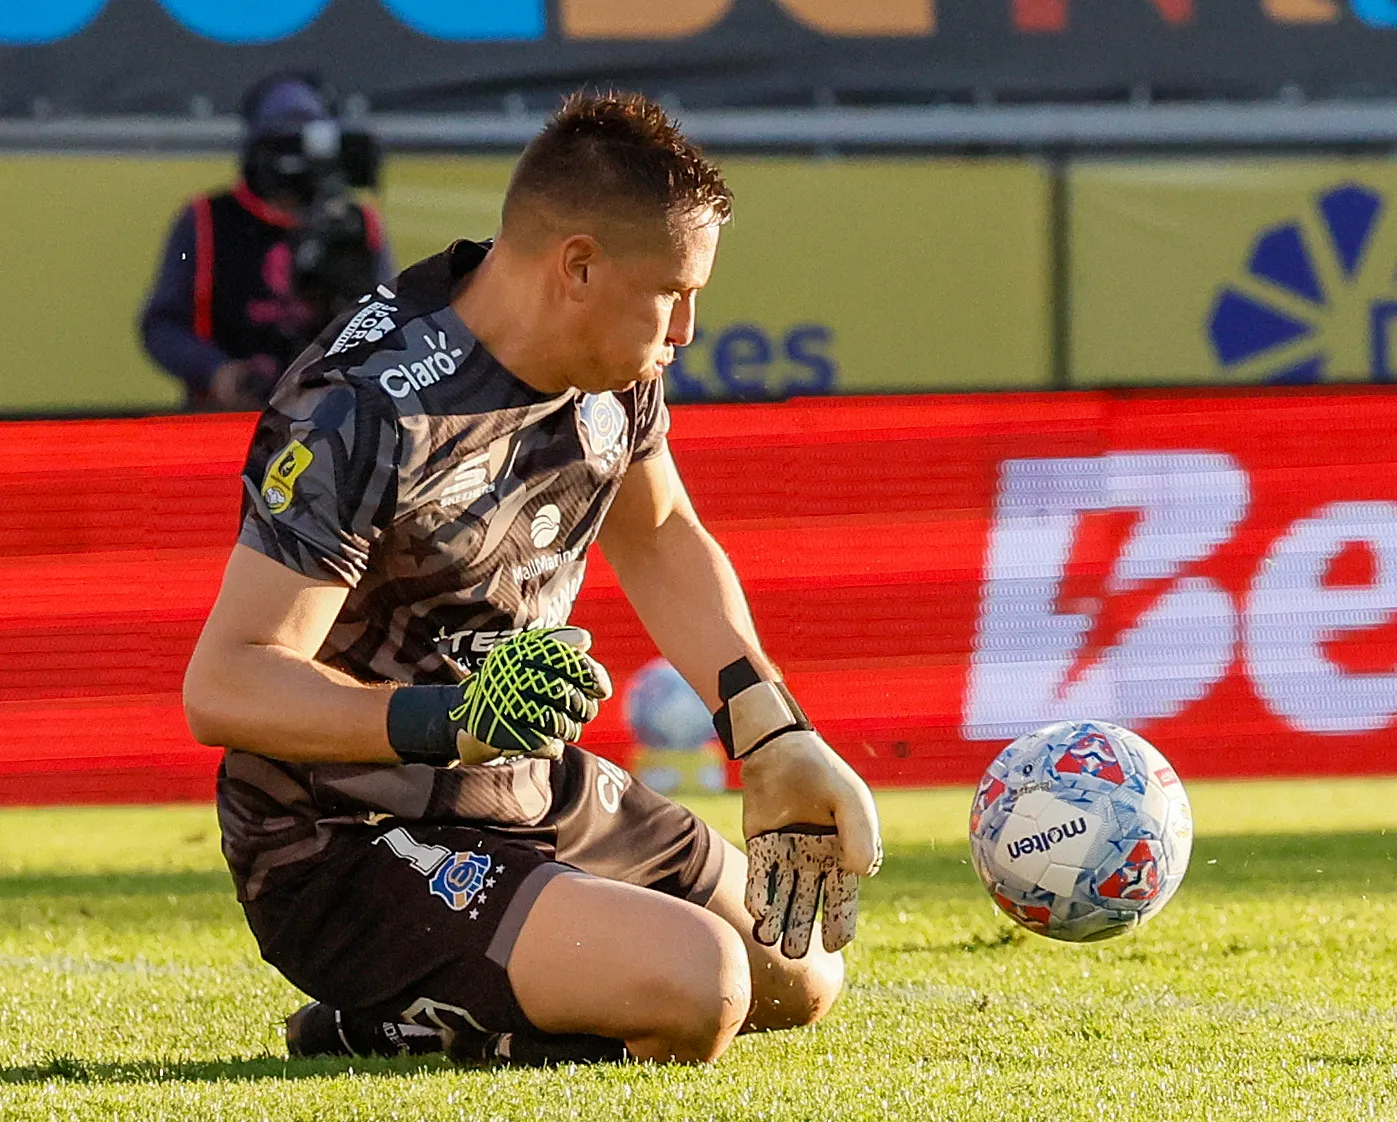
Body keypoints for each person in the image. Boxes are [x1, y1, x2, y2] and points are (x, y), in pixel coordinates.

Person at [181, 91, 881, 1066]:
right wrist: (446, 723)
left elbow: (663, 532)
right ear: (578, 267)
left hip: (527, 790)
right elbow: (227, 682)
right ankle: (384, 1018)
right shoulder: (360, 412)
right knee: (698, 990)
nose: (685, 329)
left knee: (796, 976)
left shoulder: (615, 356)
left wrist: (769, 733)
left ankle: (451, 1005)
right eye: (673, 293)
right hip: (344, 838)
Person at [140, 73, 391, 411]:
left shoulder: (357, 224)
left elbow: (388, 322)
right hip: (225, 419)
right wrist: (215, 372)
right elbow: (162, 325)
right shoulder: (205, 220)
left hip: (330, 420)